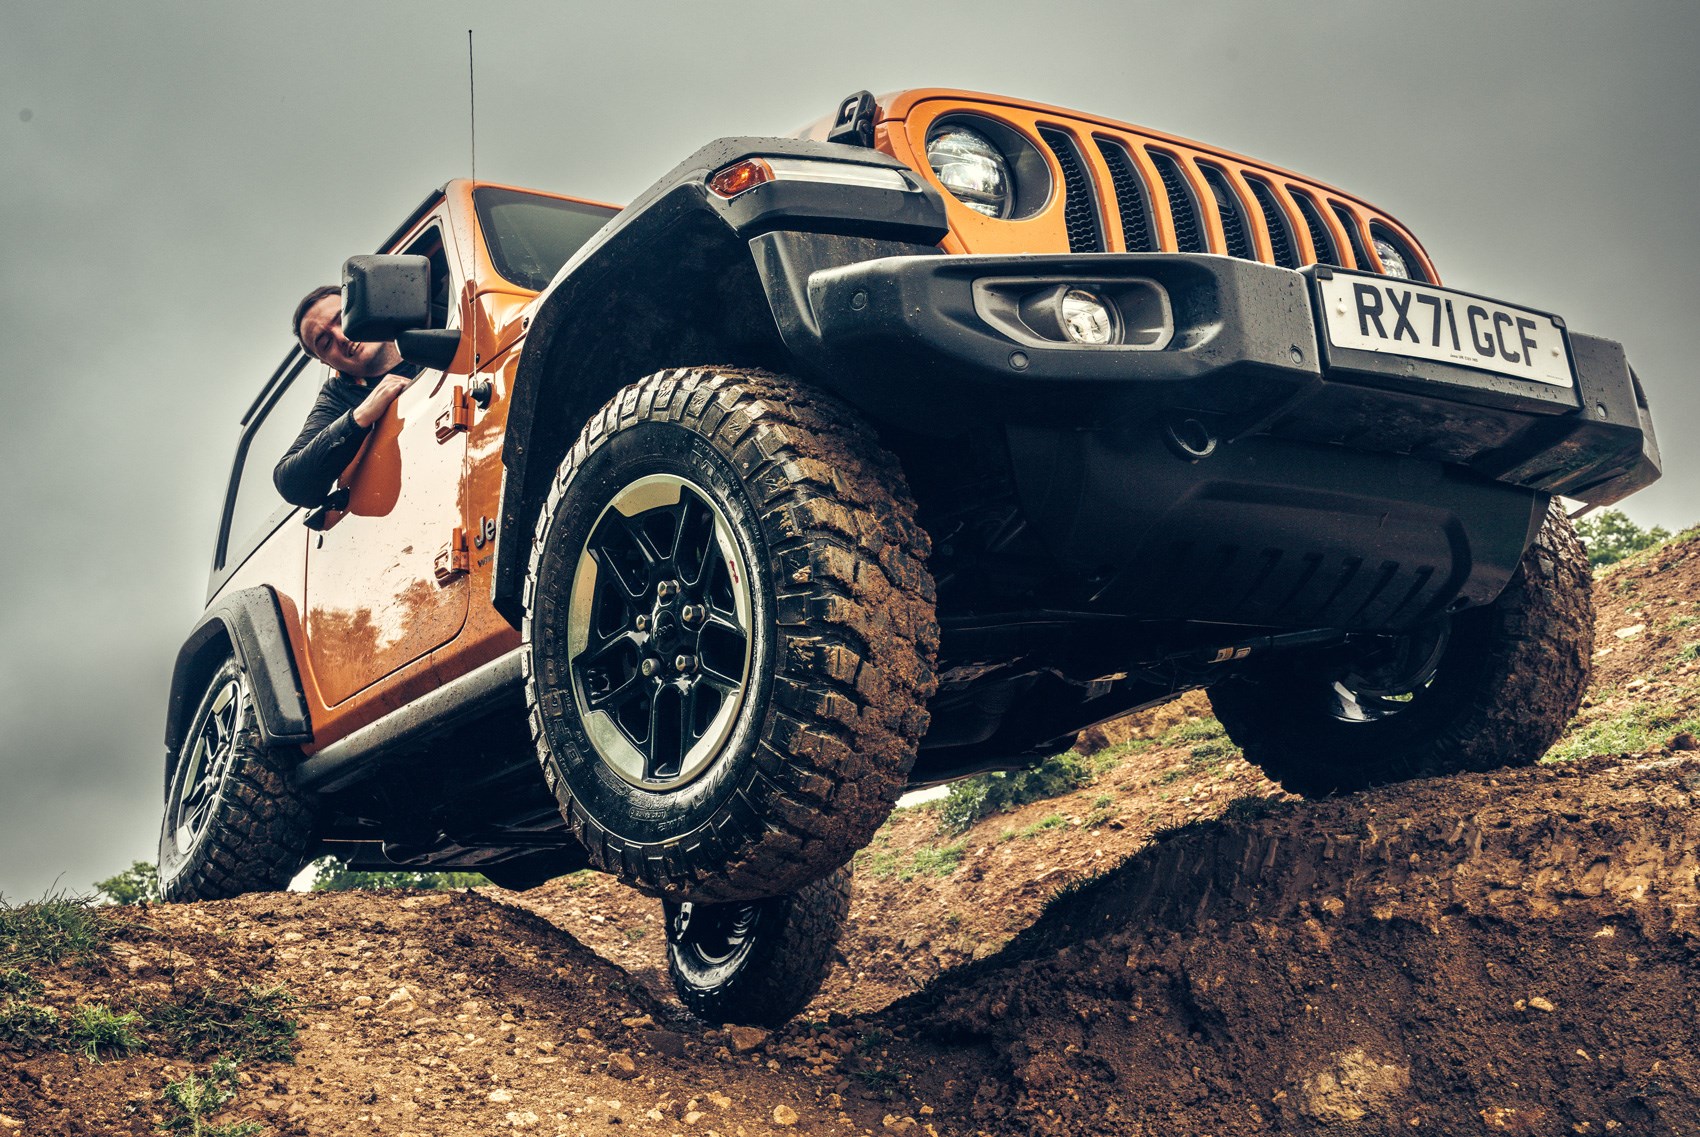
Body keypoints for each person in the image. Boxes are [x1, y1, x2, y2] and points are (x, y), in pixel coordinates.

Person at [273, 284, 422, 509]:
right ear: (325, 362)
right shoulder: (338, 396)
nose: (342, 336)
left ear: (368, 309)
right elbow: (291, 482)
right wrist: (360, 415)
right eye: (325, 343)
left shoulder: (443, 319)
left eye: (343, 318)